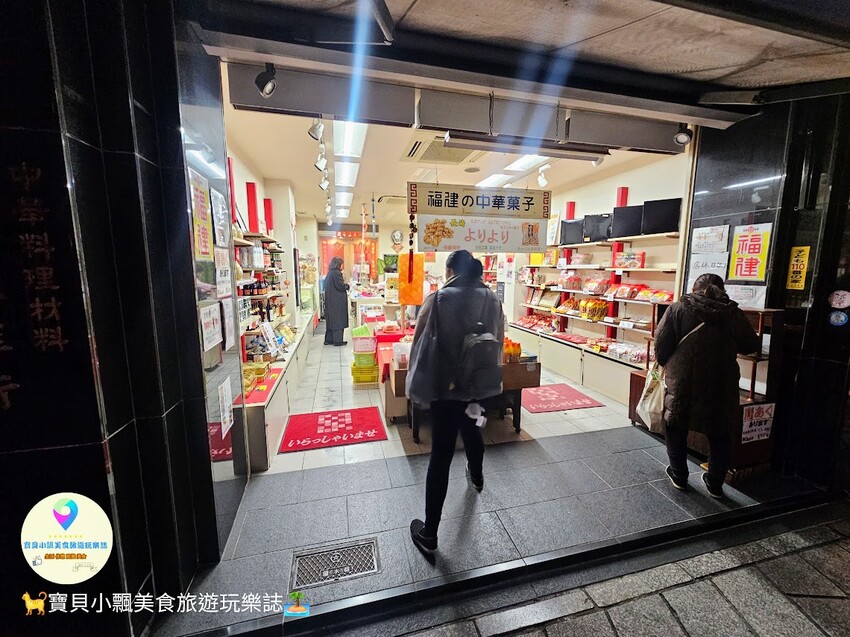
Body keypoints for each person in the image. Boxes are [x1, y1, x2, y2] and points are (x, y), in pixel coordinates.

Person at [408, 250, 504, 554]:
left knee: (441, 454)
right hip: (479, 386)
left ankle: (431, 533)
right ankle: (476, 476)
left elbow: (419, 342)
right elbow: (498, 338)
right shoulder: (492, 298)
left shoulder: (438, 299)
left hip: (446, 391)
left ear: (450, 271)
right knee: (475, 429)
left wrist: (417, 387)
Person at [654, 273, 760, 499]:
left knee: (675, 424)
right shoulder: (733, 313)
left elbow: (662, 343)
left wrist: (668, 364)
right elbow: (750, 344)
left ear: (694, 288)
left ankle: (679, 475)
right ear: (722, 290)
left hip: (683, 379)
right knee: (720, 430)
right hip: (722, 380)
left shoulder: (677, 309)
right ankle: (715, 483)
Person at [324, 256, 349, 346]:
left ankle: (329, 339)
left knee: (331, 320)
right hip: (337, 301)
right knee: (338, 320)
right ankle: (338, 341)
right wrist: (347, 286)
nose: (342, 266)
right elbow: (340, 286)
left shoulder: (330, 273)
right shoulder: (336, 273)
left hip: (331, 300)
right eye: (342, 264)